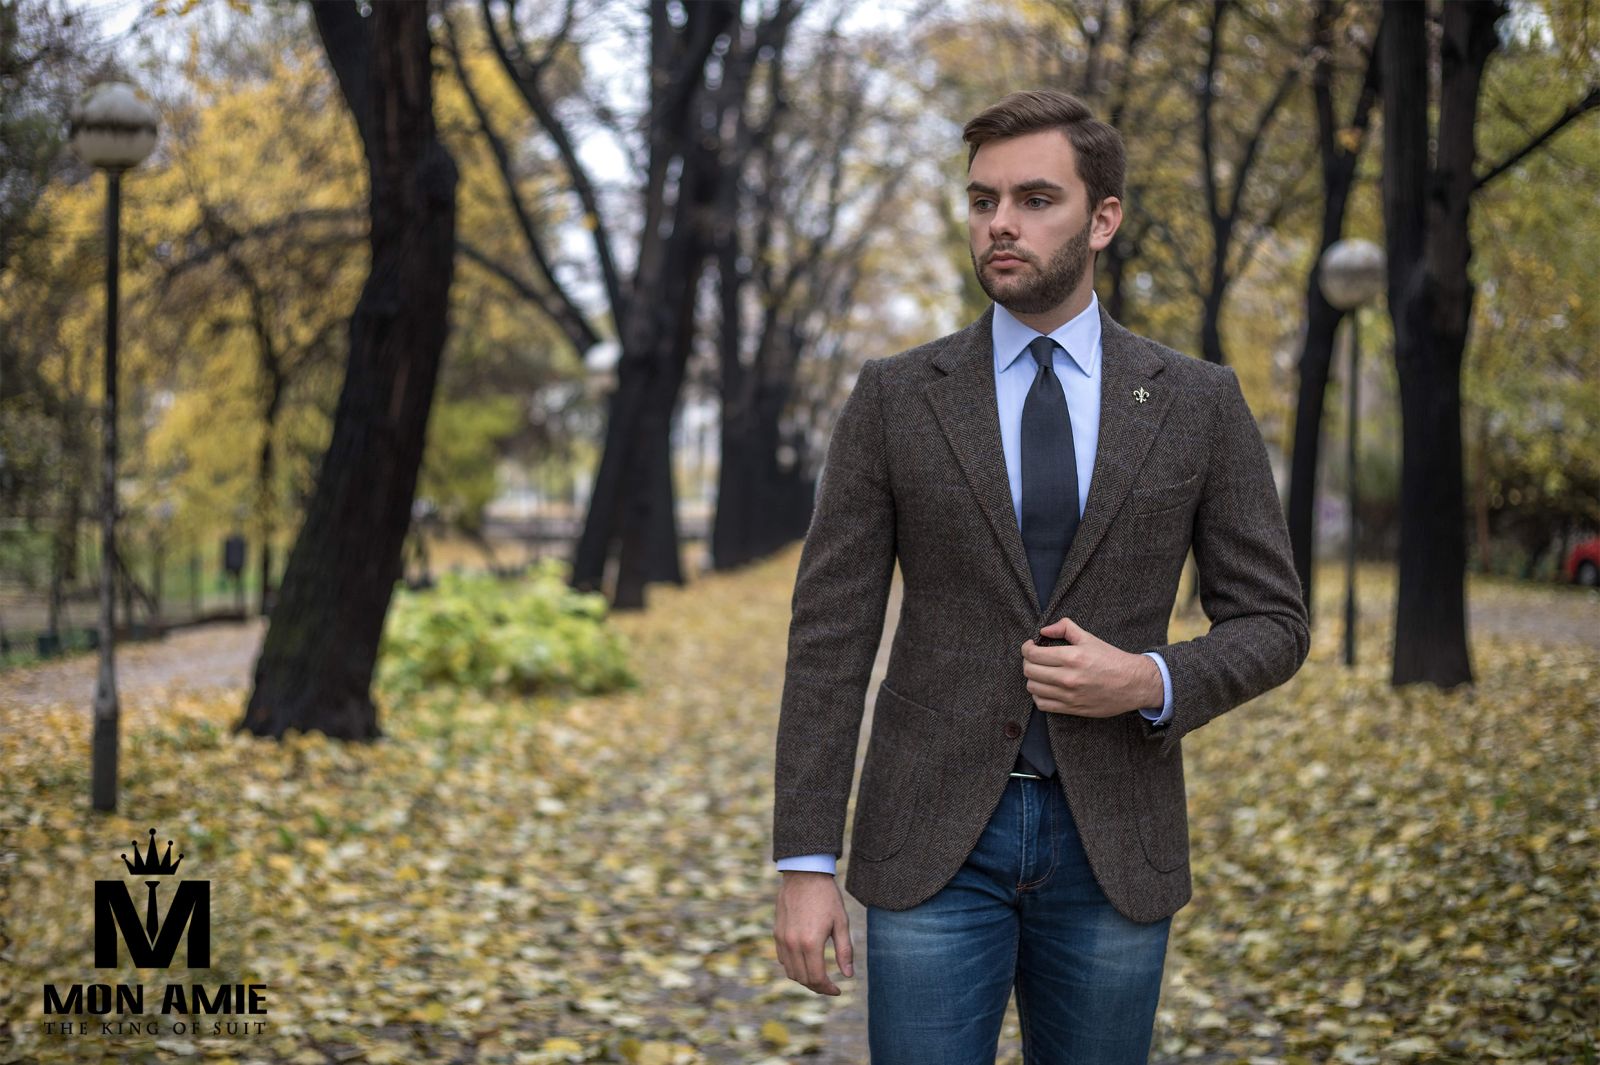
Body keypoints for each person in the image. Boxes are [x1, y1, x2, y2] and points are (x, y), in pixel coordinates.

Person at [769, 88, 1310, 1064]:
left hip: (1114, 843)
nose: (1001, 225)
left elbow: (1273, 619)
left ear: (1101, 218)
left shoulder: (1198, 402)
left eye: (1033, 199)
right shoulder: (894, 398)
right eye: (981, 202)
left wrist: (1151, 681)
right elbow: (828, 638)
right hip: (932, 839)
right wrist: (805, 862)